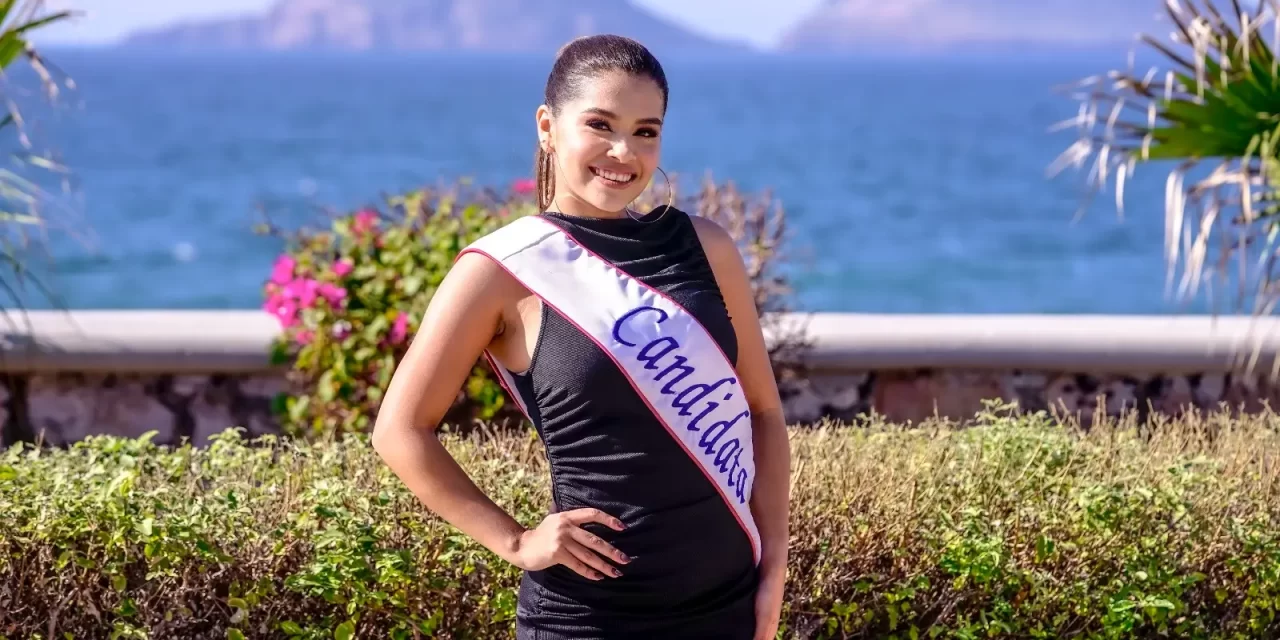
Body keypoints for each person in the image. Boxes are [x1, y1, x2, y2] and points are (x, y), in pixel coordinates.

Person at [371, 33, 790, 640]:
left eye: (646, 131)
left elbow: (763, 410)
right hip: (590, 619)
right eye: (600, 124)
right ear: (548, 125)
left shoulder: (707, 247)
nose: (624, 152)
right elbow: (399, 430)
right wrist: (514, 540)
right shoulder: (500, 271)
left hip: (725, 606)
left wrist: (772, 567)